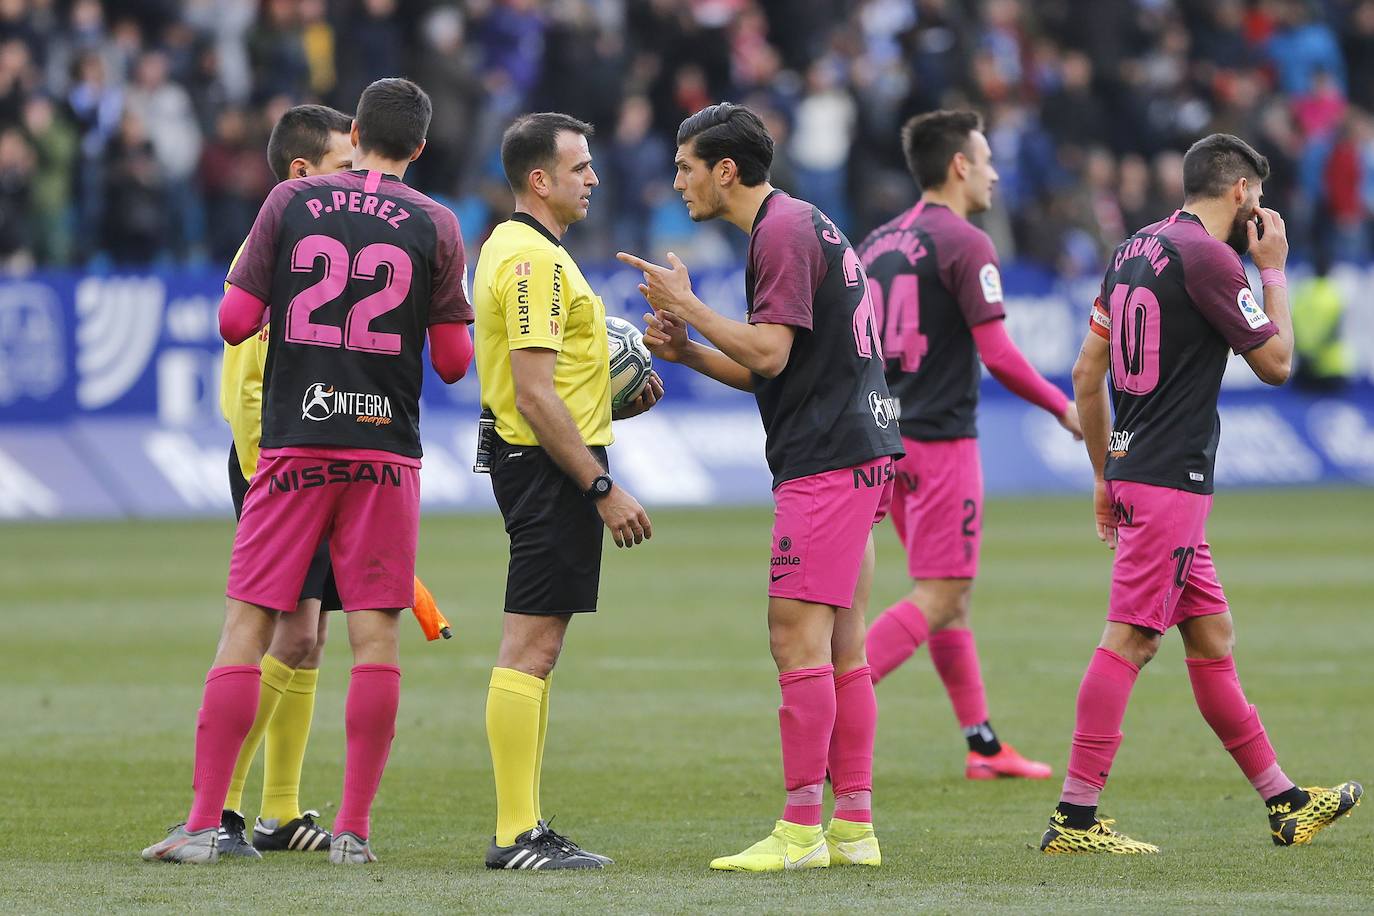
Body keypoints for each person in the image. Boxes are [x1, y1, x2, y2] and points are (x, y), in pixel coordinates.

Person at [142, 78, 475, 866]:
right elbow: (455, 363)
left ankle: (203, 824)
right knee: (374, 642)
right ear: (420, 147)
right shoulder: (437, 222)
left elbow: (233, 322)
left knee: (247, 631)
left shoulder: (290, 204)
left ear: (355, 133)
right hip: (385, 453)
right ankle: (352, 832)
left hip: (295, 446)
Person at [1041, 133, 1362, 854]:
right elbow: (1277, 362)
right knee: (1131, 637)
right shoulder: (1210, 259)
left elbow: (1086, 374)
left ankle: (1284, 802)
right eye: (1260, 195)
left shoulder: (1132, 250)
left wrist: (1103, 472)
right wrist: (1271, 269)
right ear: (1241, 191)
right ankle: (1074, 818)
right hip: (1170, 480)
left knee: (1212, 638)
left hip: (1138, 469)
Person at [620, 102, 904, 872]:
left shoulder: (778, 233)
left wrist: (688, 307)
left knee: (794, 638)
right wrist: (688, 352)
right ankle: (853, 828)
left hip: (827, 459)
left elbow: (771, 355)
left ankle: (800, 831)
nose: (677, 182)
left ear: (725, 170)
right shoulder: (798, 225)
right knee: (844, 646)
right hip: (860, 447)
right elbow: (776, 369)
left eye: (685, 167)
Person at [859, 110, 1081, 780]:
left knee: (948, 598)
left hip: (885, 440)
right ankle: (837, 698)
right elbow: (1000, 354)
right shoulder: (966, 242)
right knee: (941, 593)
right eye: (986, 160)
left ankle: (982, 745)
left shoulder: (875, 243)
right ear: (960, 165)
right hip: (940, 444)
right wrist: (1062, 407)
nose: (994, 175)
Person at [475, 112, 662, 871]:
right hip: (548, 469)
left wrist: (611, 400)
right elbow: (533, 393)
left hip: (544, 460)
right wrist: (602, 487)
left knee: (539, 648)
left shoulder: (520, 248)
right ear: (539, 179)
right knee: (529, 646)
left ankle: (524, 826)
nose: (593, 178)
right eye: (579, 167)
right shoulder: (532, 261)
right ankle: (516, 834)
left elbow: (551, 386)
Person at [214, 103, 354, 860]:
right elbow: (246, 382)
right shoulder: (273, 244)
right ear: (302, 172)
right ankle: (222, 808)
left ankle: (279, 811)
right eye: (343, 167)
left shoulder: (318, 238)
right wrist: (264, 476)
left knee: (311, 636)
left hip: (315, 460)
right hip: (276, 466)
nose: (358, 180)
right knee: (287, 632)